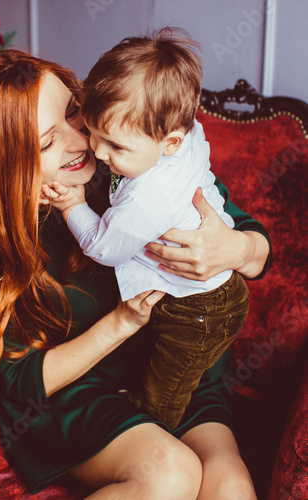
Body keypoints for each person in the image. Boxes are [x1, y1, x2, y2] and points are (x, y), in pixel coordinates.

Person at [0, 48, 270, 499]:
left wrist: (234, 249)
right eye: (48, 142)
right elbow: (20, 381)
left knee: (231, 488)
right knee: (169, 473)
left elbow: (256, 247)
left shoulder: (133, 160)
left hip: (170, 365)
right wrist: (120, 323)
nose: (83, 141)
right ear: (5, 164)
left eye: (75, 113)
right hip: (76, 393)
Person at [41, 28, 250, 430]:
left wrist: (73, 205)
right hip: (208, 295)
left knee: (165, 391)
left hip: (198, 310)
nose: (98, 153)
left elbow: (104, 247)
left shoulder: (148, 197)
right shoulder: (181, 133)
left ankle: (159, 428)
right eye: (94, 133)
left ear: (170, 142)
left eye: (115, 147)